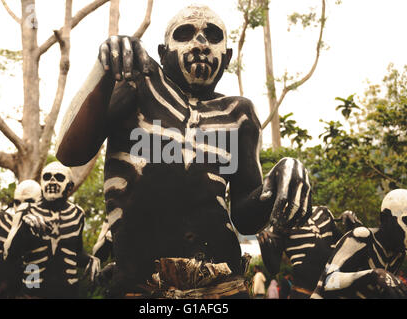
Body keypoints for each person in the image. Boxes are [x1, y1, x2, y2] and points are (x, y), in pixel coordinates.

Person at [56, 4, 312, 297]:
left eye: (212, 36)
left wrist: (277, 180)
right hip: (142, 285)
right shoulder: (138, 87)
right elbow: (69, 153)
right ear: (163, 53)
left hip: (222, 284)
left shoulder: (238, 115)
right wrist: (104, 66)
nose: (201, 44)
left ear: (227, 57)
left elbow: (245, 217)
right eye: (186, 34)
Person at [4, 162, 99, 298]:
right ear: (41, 183)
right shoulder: (26, 211)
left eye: (59, 177)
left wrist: (90, 259)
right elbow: (8, 253)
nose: (52, 181)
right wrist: (24, 225)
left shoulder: (77, 214)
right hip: (33, 290)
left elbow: (75, 251)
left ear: (69, 186)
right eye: (47, 177)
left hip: (67, 291)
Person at [311, 189, 407, 299]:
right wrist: (374, 275)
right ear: (385, 218)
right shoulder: (362, 236)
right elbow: (328, 282)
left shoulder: (399, 254)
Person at [258, 207, 362, 298]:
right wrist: (264, 245)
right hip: (303, 292)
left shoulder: (323, 212)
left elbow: (343, 246)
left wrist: (353, 227)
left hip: (331, 291)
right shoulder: (280, 222)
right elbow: (273, 269)